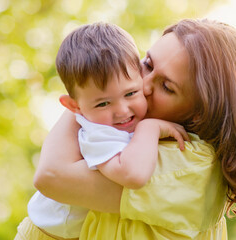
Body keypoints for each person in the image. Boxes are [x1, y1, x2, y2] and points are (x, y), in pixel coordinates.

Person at [33, 19, 236, 239]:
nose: (142, 84)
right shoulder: (126, 124)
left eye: (167, 86)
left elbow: (50, 176)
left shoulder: (190, 164)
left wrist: (92, 98)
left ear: (200, 112)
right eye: (148, 64)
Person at [15, 22, 187, 240]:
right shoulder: (99, 133)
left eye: (131, 93)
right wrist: (150, 128)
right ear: (74, 107)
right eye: (103, 104)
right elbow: (133, 176)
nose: (122, 111)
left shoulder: (113, 121)